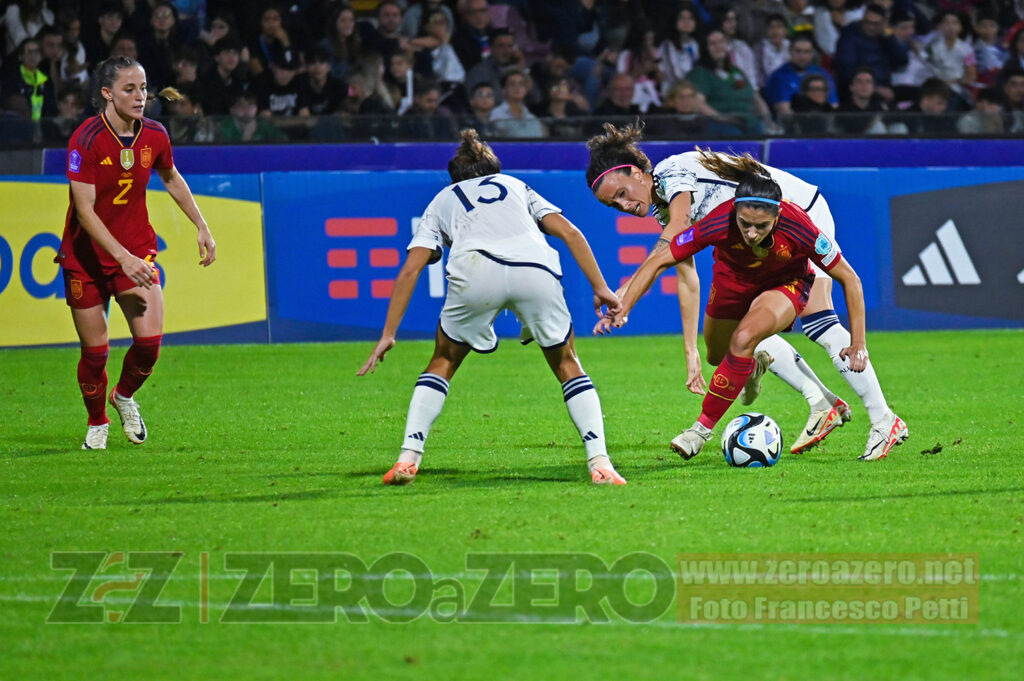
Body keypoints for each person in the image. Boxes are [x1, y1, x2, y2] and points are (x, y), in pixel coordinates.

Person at [586, 125, 908, 460]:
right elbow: (687, 278)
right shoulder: (661, 207)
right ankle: (820, 400)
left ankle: (884, 419)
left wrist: (626, 294)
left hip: (795, 213)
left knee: (817, 319)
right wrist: (690, 350)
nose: (622, 205)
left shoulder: (672, 173)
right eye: (614, 204)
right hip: (755, 240)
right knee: (723, 347)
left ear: (637, 173)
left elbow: (676, 234)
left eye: (622, 192)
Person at [358, 129, 626, 486]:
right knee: (566, 362)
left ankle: (408, 458)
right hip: (534, 270)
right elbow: (572, 233)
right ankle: (601, 463)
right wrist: (601, 288)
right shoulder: (515, 185)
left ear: (456, 176)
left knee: (444, 359)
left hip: (475, 271)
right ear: (493, 168)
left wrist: (389, 333)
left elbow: (411, 268)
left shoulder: (443, 198)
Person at [57, 56, 215, 450]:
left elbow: (171, 176)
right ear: (107, 94)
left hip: (137, 252)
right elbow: (84, 211)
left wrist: (202, 225)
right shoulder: (86, 139)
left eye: (143, 88)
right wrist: (122, 257)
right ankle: (97, 421)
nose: (140, 96)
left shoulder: (156, 135)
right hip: (86, 259)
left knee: (148, 344)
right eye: (130, 89)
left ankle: (124, 396)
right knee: (95, 353)